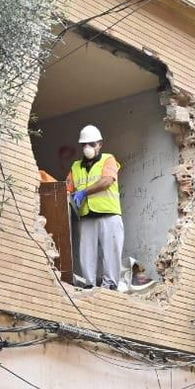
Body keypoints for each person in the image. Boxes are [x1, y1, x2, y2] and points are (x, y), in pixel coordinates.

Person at [67, 124, 123, 289]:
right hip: (87, 216)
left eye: (92, 144)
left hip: (109, 214)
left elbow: (107, 181)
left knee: (111, 252)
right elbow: (67, 188)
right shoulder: (76, 166)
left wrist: (83, 192)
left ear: (100, 144)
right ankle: (89, 285)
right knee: (86, 254)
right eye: (84, 144)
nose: (87, 148)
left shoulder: (108, 159)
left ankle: (110, 285)